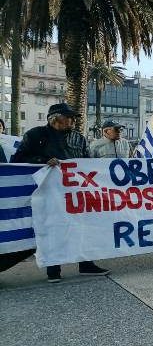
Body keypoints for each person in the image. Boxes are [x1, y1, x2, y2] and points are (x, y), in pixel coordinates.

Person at [11, 103, 110, 282]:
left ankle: (86, 264)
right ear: (55, 119)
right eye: (68, 117)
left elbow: (86, 163)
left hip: (76, 192)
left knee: (83, 227)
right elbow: (17, 160)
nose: (72, 121)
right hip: (49, 194)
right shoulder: (35, 135)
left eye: (73, 118)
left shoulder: (79, 138)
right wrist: (42, 160)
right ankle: (53, 270)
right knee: (53, 228)